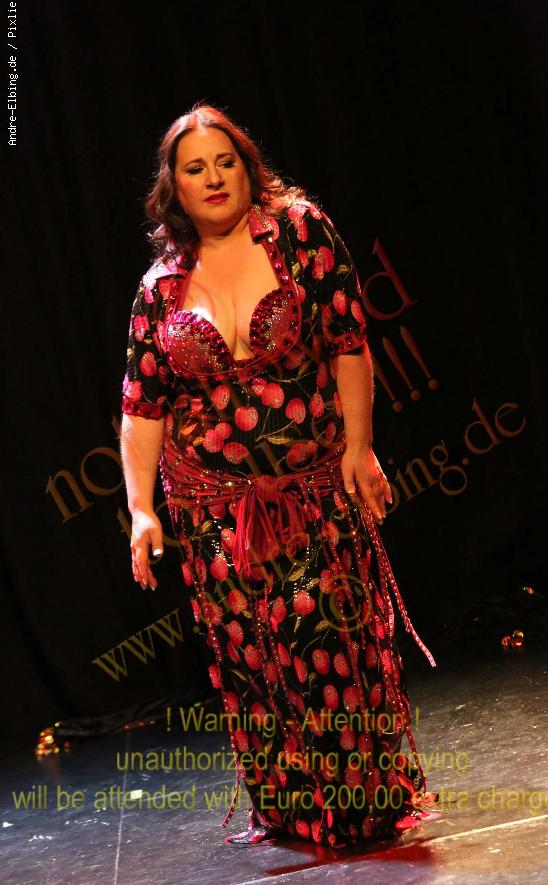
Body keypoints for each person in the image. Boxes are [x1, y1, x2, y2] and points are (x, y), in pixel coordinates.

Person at [119, 102, 440, 848]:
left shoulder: (298, 233)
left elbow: (348, 340)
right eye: (195, 169)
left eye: (224, 162)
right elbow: (141, 406)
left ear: (246, 165)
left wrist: (359, 445)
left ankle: (360, 804)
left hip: (311, 489)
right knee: (255, 659)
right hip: (213, 509)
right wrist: (141, 508)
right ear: (174, 187)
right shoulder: (161, 287)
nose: (214, 178)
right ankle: (294, 812)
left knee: (328, 635)